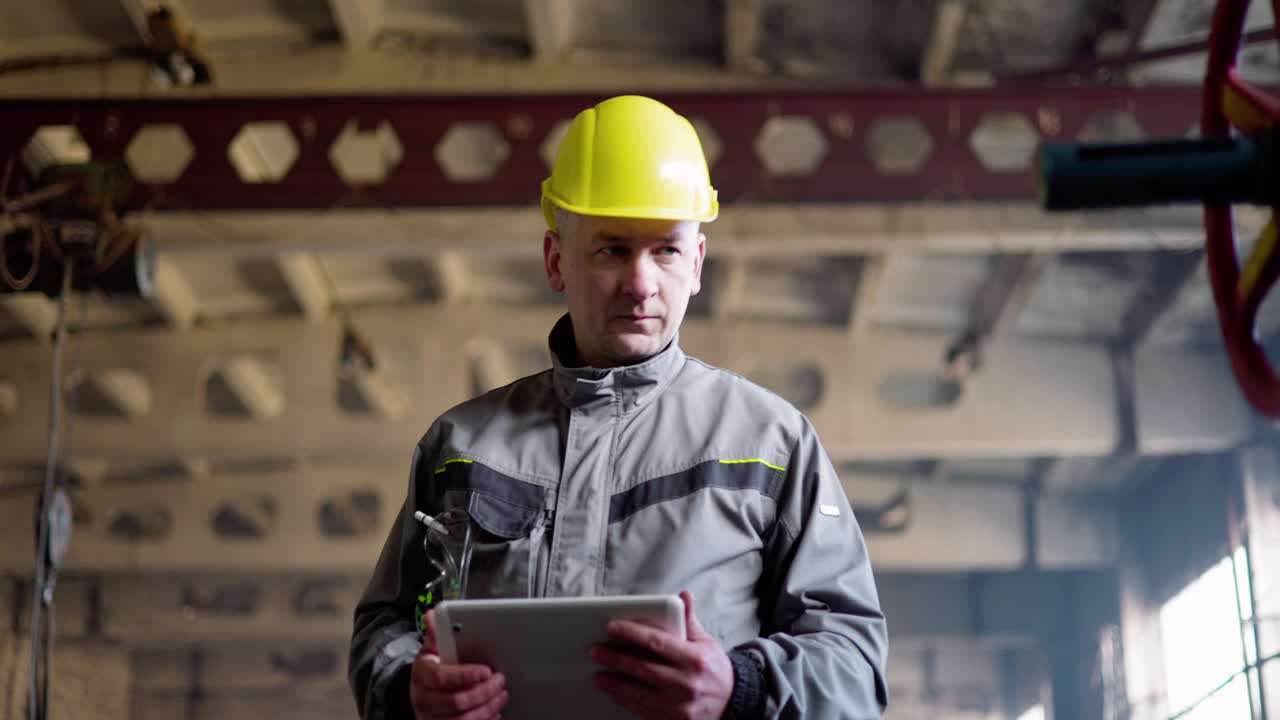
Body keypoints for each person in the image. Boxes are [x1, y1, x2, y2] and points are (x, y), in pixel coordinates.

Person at [349, 95, 889, 720]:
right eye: (611, 250)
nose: (640, 283)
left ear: (697, 265)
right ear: (557, 260)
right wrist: (406, 687)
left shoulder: (772, 444)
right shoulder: (460, 447)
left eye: (666, 250)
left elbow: (854, 663)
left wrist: (740, 688)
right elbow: (385, 625)